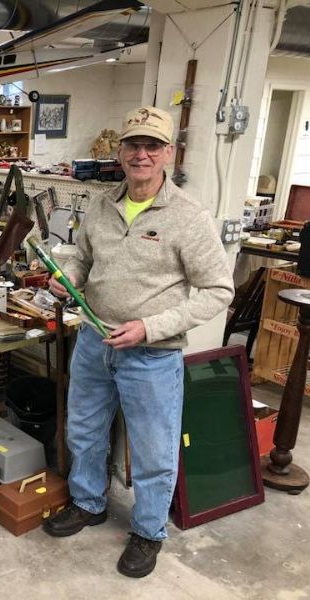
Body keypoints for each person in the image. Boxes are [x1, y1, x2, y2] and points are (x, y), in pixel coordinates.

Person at [43, 106, 234, 578]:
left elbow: (218, 291)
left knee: (153, 449)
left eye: (152, 146)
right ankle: (88, 502)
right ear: (120, 152)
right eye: (133, 145)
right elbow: (83, 259)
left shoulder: (188, 217)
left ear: (169, 152)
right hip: (94, 340)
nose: (141, 154)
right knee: (84, 431)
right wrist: (69, 277)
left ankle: (149, 531)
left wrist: (149, 327)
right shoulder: (101, 205)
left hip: (151, 355)